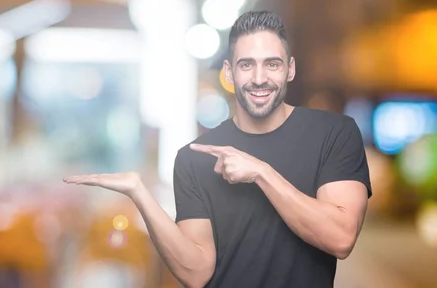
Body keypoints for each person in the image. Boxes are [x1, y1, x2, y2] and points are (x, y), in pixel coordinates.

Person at [64, 10, 371, 288]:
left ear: (290, 69)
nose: (260, 78)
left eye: (272, 64)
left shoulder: (333, 133)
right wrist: (139, 193)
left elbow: (340, 238)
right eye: (246, 65)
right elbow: (197, 272)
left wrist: (261, 172)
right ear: (229, 72)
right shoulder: (195, 157)